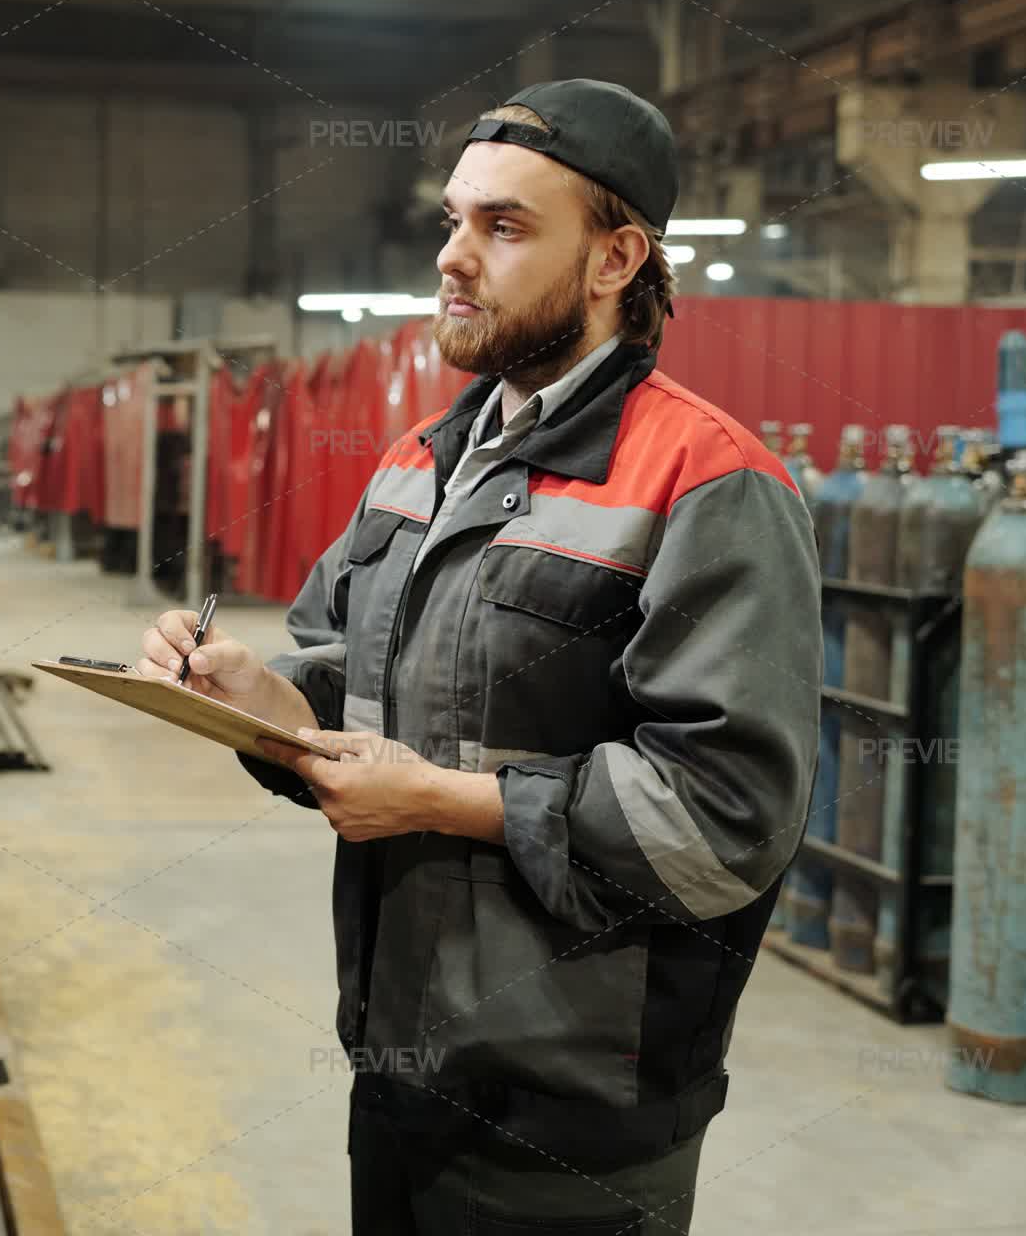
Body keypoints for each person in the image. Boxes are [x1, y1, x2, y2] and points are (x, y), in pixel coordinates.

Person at [136, 79, 821, 1234]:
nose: (455, 256)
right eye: (454, 220)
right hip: (400, 1066)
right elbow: (351, 668)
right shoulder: (420, 460)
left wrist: (451, 802)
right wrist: (258, 695)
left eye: (504, 227)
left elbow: (728, 816)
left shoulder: (706, 480)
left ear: (615, 259)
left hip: (573, 1111)